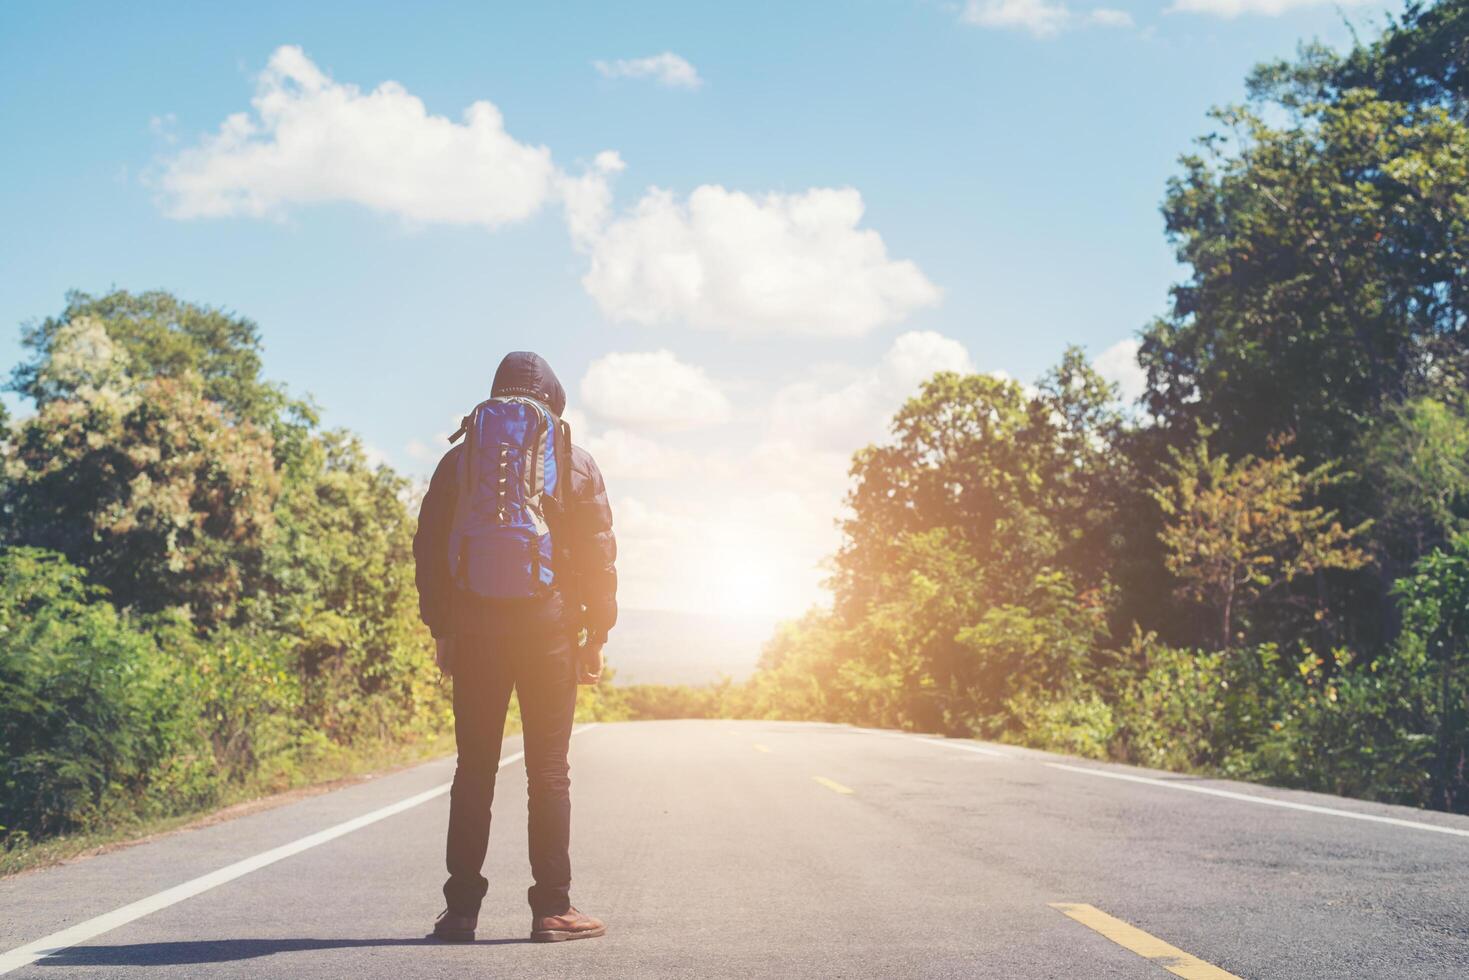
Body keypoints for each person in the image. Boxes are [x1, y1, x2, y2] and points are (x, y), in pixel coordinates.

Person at [413, 351, 616, 943]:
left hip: (475, 627)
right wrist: (595, 636)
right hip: (548, 628)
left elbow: (428, 549)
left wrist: (443, 630)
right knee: (548, 771)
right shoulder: (573, 462)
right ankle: (553, 909)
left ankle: (460, 912)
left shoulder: (459, 462)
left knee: (473, 768)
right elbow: (600, 556)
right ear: (553, 402)